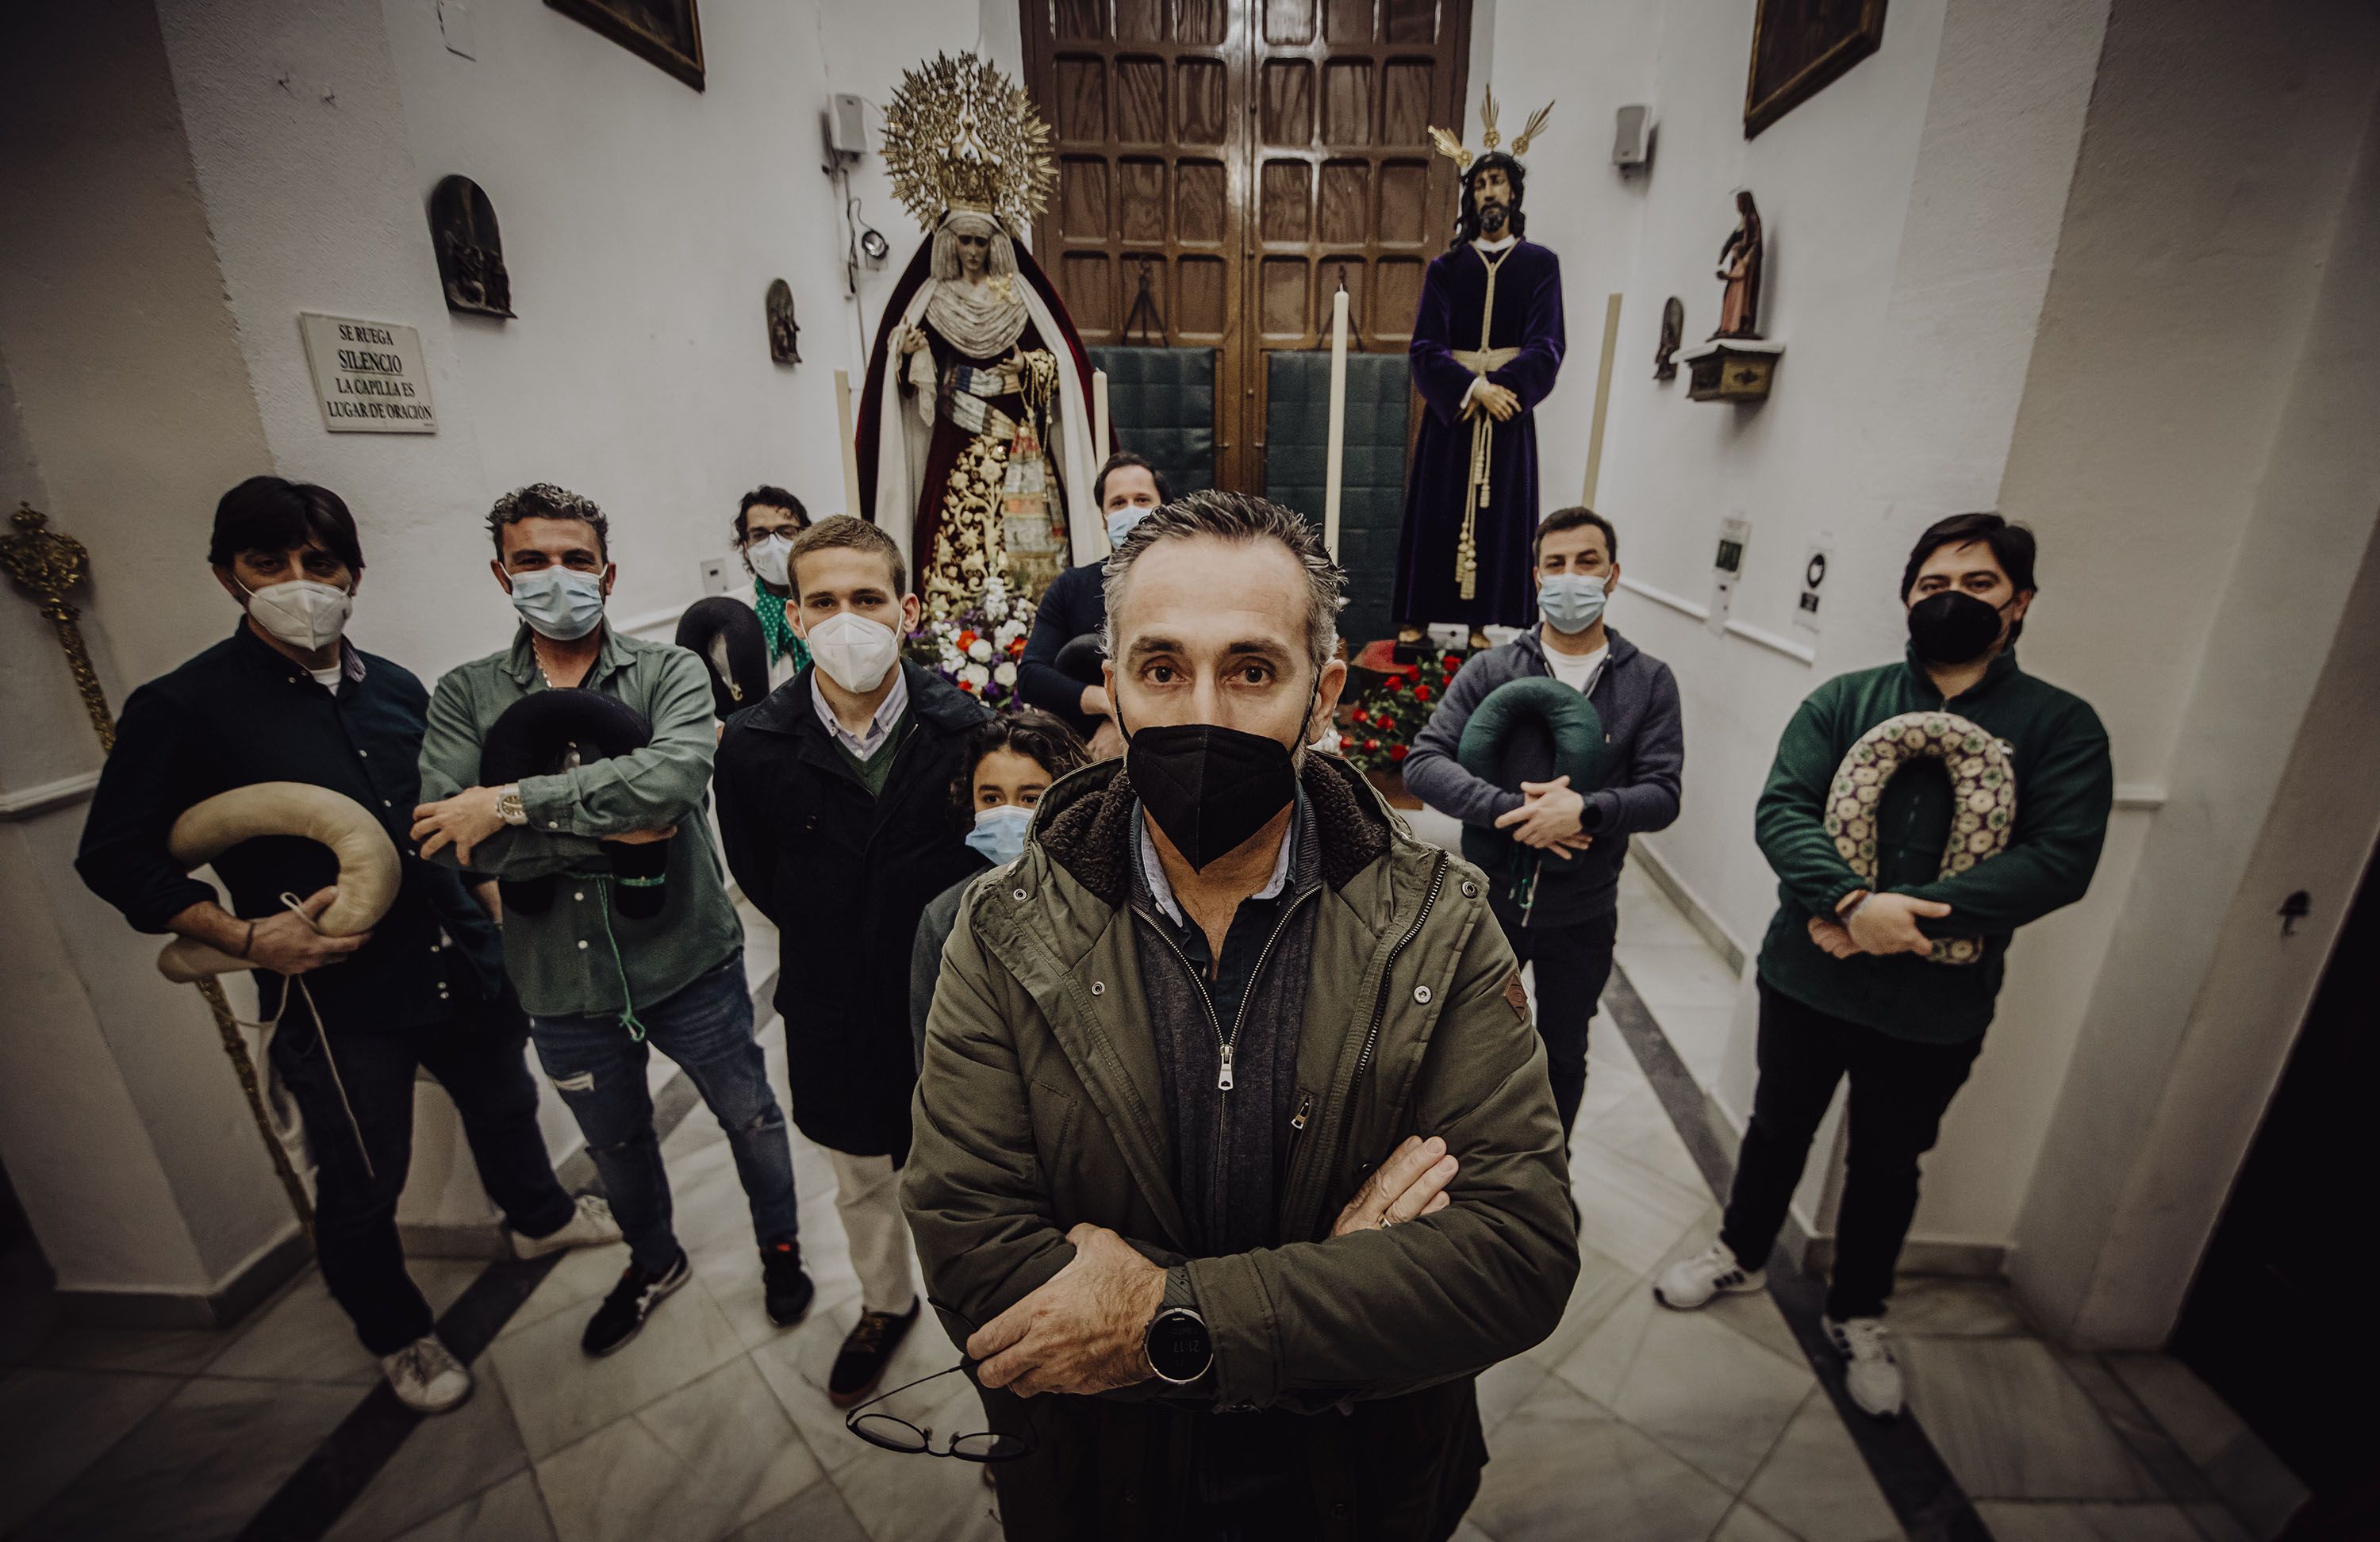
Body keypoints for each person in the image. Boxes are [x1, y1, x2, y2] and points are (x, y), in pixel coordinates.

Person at [903, 489, 1580, 1541]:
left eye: (1253, 670)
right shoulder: (997, 934)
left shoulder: (1439, 931)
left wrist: (1160, 1324)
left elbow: (1513, 1258)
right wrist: (1344, 1288)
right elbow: (977, 1265)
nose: (1204, 712)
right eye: (1162, 669)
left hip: (1363, 1489)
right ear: (1113, 688)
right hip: (1106, 1494)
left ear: (1324, 693)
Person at [75, 477, 618, 1414]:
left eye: (319, 563)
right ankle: (397, 1333)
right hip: (335, 991)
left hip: (456, 958)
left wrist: (496, 916)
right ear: (227, 576)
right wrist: (243, 935)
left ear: (353, 574)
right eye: (268, 563)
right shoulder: (185, 707)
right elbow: (113, 856)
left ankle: (539, 1218)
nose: (299, 582)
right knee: (365, 1175)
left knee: (505, 1103)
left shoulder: (400, 690)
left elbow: (444, 819)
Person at [1654, 512, 2113, 1420]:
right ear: (1908, 595)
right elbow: (1785, 811)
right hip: (1809, 975)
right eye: (1935, 583)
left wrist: (1903, 922)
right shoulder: (1846, 702)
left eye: (1978, 585)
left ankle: (1859, 1309)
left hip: (1936, 1002)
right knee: (1777, 1125)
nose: (1953, 600)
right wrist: (1856, 906)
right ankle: (1741, 1252)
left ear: (2019, 604)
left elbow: (2062, 858)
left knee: (1889, 1160)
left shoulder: (2059, 727)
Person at [413, 483, 812, 1356]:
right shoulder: (465, 695)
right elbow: (448, 839)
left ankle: (781, 1248)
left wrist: (511, 805)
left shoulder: (668, 672)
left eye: (576, 560)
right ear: (500, 573)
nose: (557, 577)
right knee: (619, 1147)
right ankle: (654, 1260)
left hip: (688, 958)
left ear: (608, 571)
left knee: (750, 1117)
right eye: (532, 561)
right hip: (562, 984)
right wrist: (613, 827)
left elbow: (672, 788)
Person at [712, 515, 992, 1408]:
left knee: (966, 1175)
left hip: (948, 1008)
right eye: (823, 601)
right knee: (863, 1177)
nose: (846, 618)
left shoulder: (965, 729)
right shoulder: (757, 745)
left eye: (866, 598)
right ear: (794, 618)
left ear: (905, 609)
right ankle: (884, 1302)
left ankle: (983, 1315)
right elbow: (758, 875)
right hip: (832, 1002)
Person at [1402, 506, 1683, 1149]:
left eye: (1586, 563)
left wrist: (1585, 811)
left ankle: (1550, 1180)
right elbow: (1424, 763)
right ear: (1536, 576)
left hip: (1582, 911)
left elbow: (1662, 793)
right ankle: (1460, 1170)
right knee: (1461, 1046)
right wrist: (1512, 811)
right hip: (1490, 900)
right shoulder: (1492, 671)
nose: (1570, 578)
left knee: (1563, 1054)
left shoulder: (1647, 681)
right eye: (1555, 565)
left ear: (1613, 576)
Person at [1393, 94, 1565, 650]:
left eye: (1499, 182)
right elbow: (1425, 347)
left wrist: (1503, 392)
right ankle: (1416, 619)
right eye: (1481, 183)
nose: (1490, 191)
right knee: (1436, 512)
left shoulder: (1540, 265)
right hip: (1456, 413)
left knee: (1498, 515)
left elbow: (1548, 344)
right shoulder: (1448, 269)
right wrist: (1472, 389)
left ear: (1514, 193)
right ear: (1471, 195)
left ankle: (1478, 627)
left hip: (1507, 416)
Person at [909, 709, 1090, 1067]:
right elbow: (935, 1061)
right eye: (991, 798)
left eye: (1029, 798)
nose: (1008, 815)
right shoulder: (947, 917)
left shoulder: (1100, 902)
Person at [1015, 451, 1168, 753]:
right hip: (1084, 753)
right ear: (1104, 517)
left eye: (1142, 500)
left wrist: (1121, 724)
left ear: (1163, 509)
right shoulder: (1072, 586)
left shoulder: (1190, 583)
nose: (1131, 511)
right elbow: (1032, 675)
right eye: (1118, 503)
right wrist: (1107, 704)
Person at [730, 484, 812, 689]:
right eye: (759, 535)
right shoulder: (734, 613)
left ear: (805, 536)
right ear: (745, 546)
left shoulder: (831, 603)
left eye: (786, 532)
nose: (774, 545)